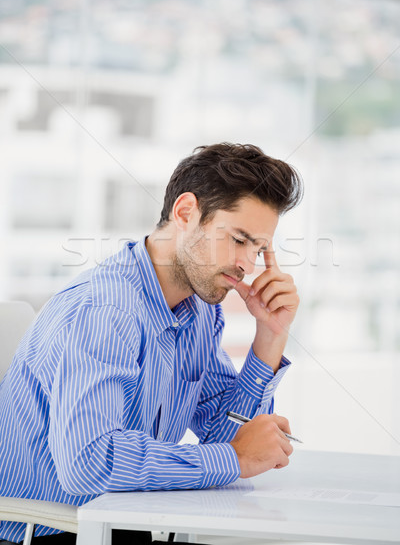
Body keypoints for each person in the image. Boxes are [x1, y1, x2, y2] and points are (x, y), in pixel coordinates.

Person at [0, 142, 303, 544]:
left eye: (259, 248)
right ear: (185, 213)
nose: (247, 264)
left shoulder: (198, 311)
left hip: (124, 521)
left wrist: (270, 336)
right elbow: (87, 463)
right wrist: (236, 458)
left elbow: (223, 436)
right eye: (238, 239)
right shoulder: (106, 311)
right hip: (52, 531)